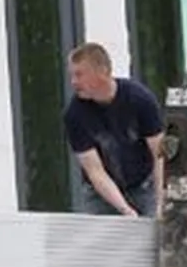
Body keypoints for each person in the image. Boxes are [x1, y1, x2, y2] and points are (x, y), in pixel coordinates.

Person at [62, 42, 165, 217]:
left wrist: (162, 202)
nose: (74, 82)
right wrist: (125, 209)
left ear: (102, 72)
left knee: (160, 234)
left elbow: (160, 154)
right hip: (100, 193)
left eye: (79, 75)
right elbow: (94, 170)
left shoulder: (140, 99)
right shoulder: (74, 114)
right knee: (97, 240)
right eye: (72, 75)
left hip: (144, 184)